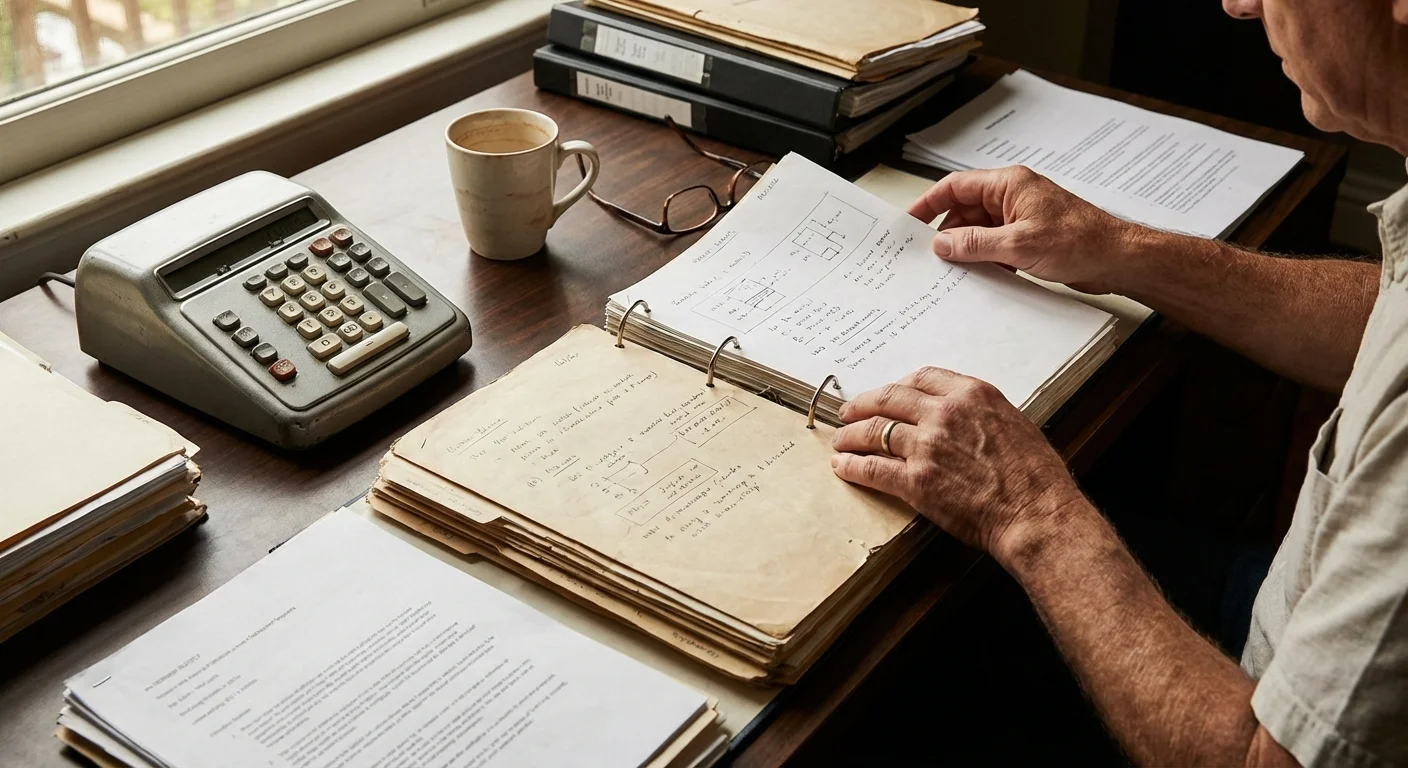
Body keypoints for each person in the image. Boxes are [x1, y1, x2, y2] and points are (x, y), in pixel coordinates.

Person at [829, 1, 1408, 766]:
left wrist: (1029, 508)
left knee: (899, 667)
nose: (1236, 2)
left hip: (1256, 706)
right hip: (1292, 608)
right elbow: (1388, 319)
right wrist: (1119, 249)